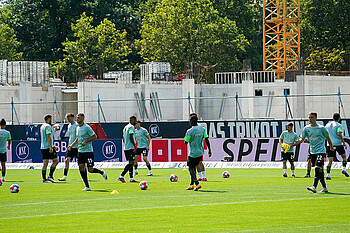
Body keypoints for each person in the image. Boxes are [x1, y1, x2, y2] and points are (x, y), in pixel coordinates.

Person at [68, 113, 107, 191]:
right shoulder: (77, 128)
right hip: (80, 152)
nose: (77, 119)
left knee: (90, 170)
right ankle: (87, 186)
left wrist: (86, 141)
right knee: (81, 167)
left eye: (79, 117)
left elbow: (94, 136)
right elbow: (78, 138)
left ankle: (101, 172)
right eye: (77, 117)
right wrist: (72, 145)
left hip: (88, 151)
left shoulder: (87, 127)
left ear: (83, 118)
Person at [296, 112, 334, 193]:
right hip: (312, 151)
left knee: (317, 168)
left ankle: (314, 186)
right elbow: (302, 138)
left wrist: (331, 147)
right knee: (320, 170)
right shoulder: (306, 128)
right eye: (309, 117)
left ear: (316, 118)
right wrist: (297, 142)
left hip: (321, 151)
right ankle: (324, 187)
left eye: (312, 117)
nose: (310, 119)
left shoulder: (321, 128)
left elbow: (328, 138)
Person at [184, 113, 212, 191]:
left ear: (193, 121)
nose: (190, 122)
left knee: (191, 169)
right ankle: (191, 184)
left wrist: (189, 138)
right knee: (194, 167)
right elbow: (206, 139)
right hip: (200, 152)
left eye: (190, 120)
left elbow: (185, 142)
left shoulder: (190, 131)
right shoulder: (203, 129)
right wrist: (209, 149)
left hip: (193, 153)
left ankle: (197, 183)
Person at [325, 113, 349, 180]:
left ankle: (328, 175)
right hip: (338, 144)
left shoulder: (327, 125)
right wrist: (343, 142)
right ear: (339, 118)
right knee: (344, 156)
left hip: (330, 144)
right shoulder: (339, 125)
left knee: (330, 161)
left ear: (333, 118)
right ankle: (344, 169)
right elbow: (339, 134)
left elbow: (325, 134)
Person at [118, 116, 138, 183]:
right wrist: (134, 146)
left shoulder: (125, 127)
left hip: (126, 147)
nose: (136, 122)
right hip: (130, 148)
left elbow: (123, 138)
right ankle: (121, 176)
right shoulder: (131, 127)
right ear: (132, 120)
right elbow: (130, 136)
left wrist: (126, 144)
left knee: (131, 162)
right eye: (135, 121)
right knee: (131, 163)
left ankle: (131, 178)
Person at [59, 113, 79, 181]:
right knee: (67, 160)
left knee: (80, 163)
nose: (67, 119)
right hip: (71, 146)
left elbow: (78, 137)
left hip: (77, 146)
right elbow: (70, 136)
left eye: (68, 117)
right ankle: (64, 176)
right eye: (66, 118)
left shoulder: (77, 125)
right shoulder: (69, 126)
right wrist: (68, 145)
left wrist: (78, 145)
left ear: (72, 117)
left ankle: (83, 176)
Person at [40, 114, 59, 183]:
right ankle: (50, 176)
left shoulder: (42, 126)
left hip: (43, 147)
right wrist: (51, 146)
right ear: (48, 119)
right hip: (48, 147)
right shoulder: (48, 126)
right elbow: (48, 136)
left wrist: (52, 145)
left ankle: (44, 179)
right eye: (51, 119)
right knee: (56, 161)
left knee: (45, 163)